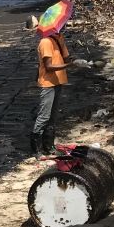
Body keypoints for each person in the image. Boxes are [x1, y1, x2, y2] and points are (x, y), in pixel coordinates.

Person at [34, 23, 73, 155]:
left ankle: (49, 146)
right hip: (48, 83)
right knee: (44, 116)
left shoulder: (58, 39)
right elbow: (49, 66)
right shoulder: (45, 42)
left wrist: (62, 45)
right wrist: (67, 65)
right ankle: (37, 148)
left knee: (53, 117)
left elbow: (66, 57)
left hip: (58, 81)